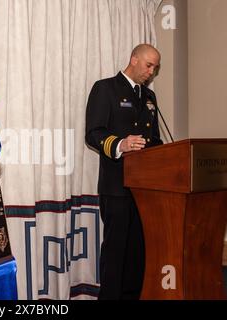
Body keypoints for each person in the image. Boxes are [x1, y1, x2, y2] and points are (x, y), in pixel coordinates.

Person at [85, 44, 163, 300]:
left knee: (138, 250)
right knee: (116, 250)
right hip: (116, 185)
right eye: (148, 65)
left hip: (143, 187)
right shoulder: (105, 88)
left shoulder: (150, 98)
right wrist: (121, 144)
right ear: (134, 59)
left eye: (155, 68)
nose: (151, 72)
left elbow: (154, 140)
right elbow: (94, 132)